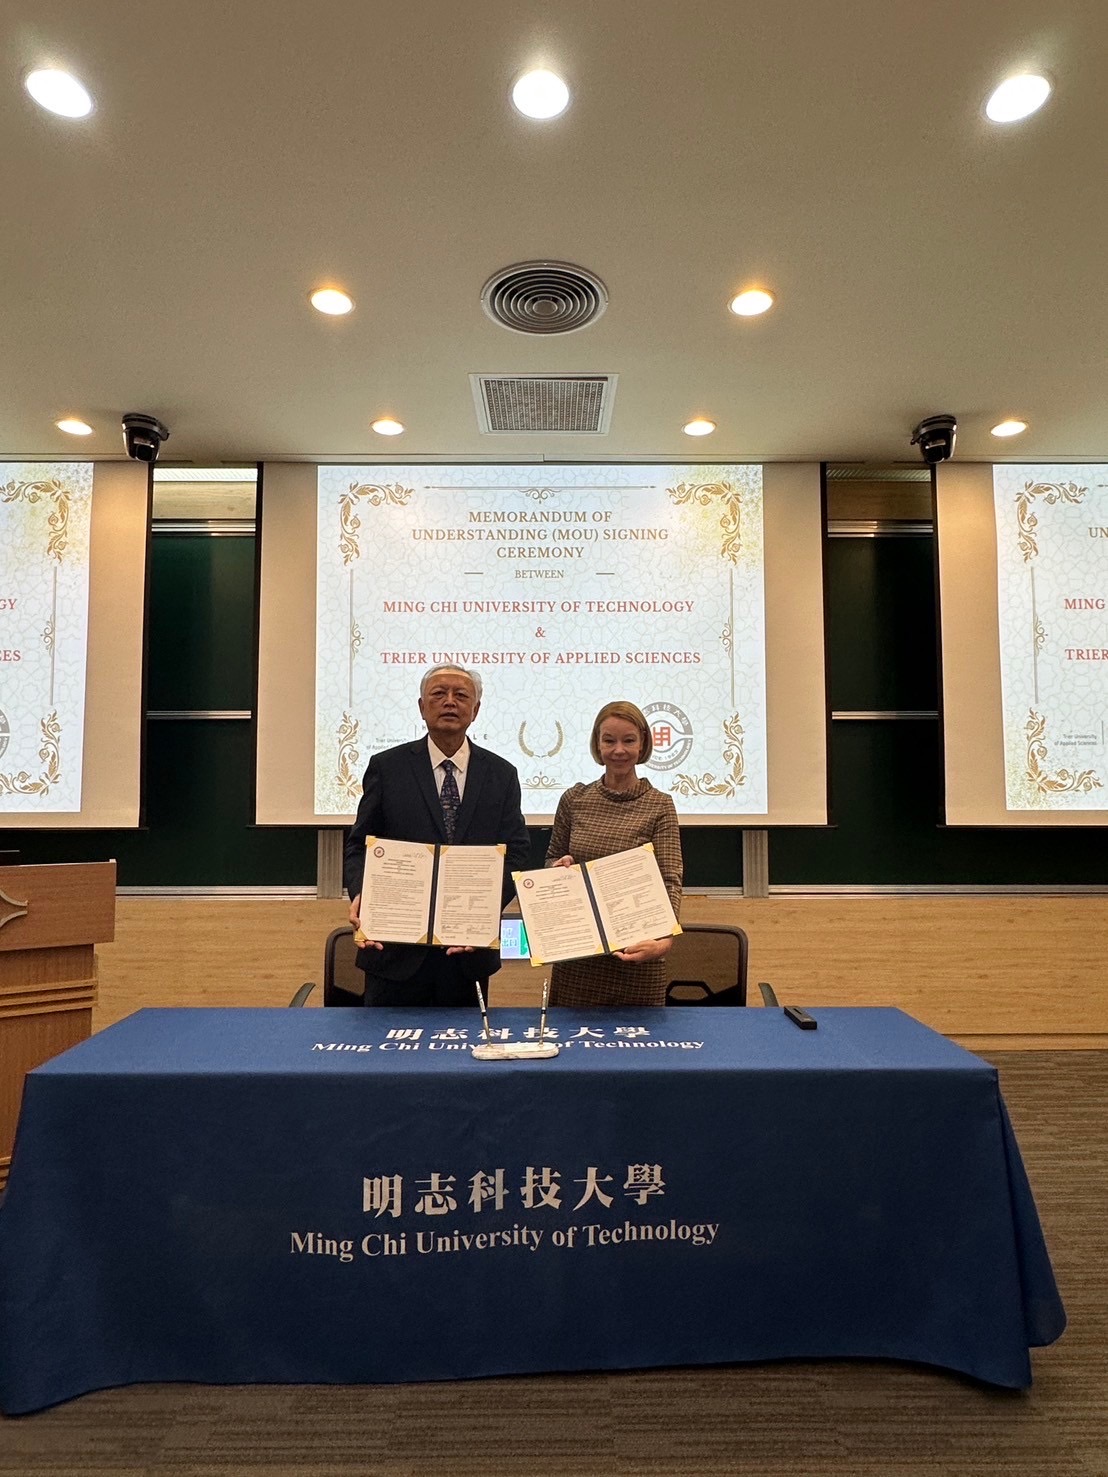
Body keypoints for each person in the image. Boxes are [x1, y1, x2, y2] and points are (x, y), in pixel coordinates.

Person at [343, 665, 531, 1006]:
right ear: (421, 707)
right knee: (388, 1042)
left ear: (475, 710)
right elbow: (359, 844)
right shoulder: (388, 767)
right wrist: (360, 893)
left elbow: (516, 852)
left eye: (461, 695)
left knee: (462, 1040)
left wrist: (483, 912)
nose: (450, 702)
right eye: (439, 694)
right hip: (394, 951)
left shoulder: (501, 774)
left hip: (467, 955)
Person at [546, 700, 683, 1007]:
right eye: (609, 741)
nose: (618, 750)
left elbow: (670, 879)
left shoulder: (660, 805)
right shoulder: (574, 799)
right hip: (578, 961)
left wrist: (663, 941)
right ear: (598, 744)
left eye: (628, 740)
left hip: (637, 957)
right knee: (573, 1037)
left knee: (638, 1039)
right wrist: (558, 869)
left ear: (642, 744)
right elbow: (551, 858)